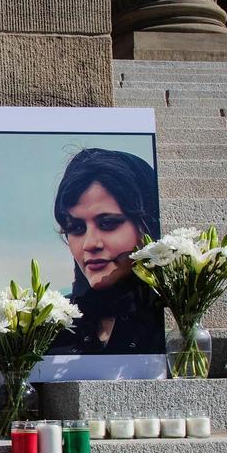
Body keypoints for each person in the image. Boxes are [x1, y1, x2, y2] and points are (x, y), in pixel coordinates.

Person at [47, 148, 164, 355]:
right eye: (76, 228)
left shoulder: (178, 316)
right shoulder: (51, 325)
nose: (89, 244)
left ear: (148, 226)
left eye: (108, 223)